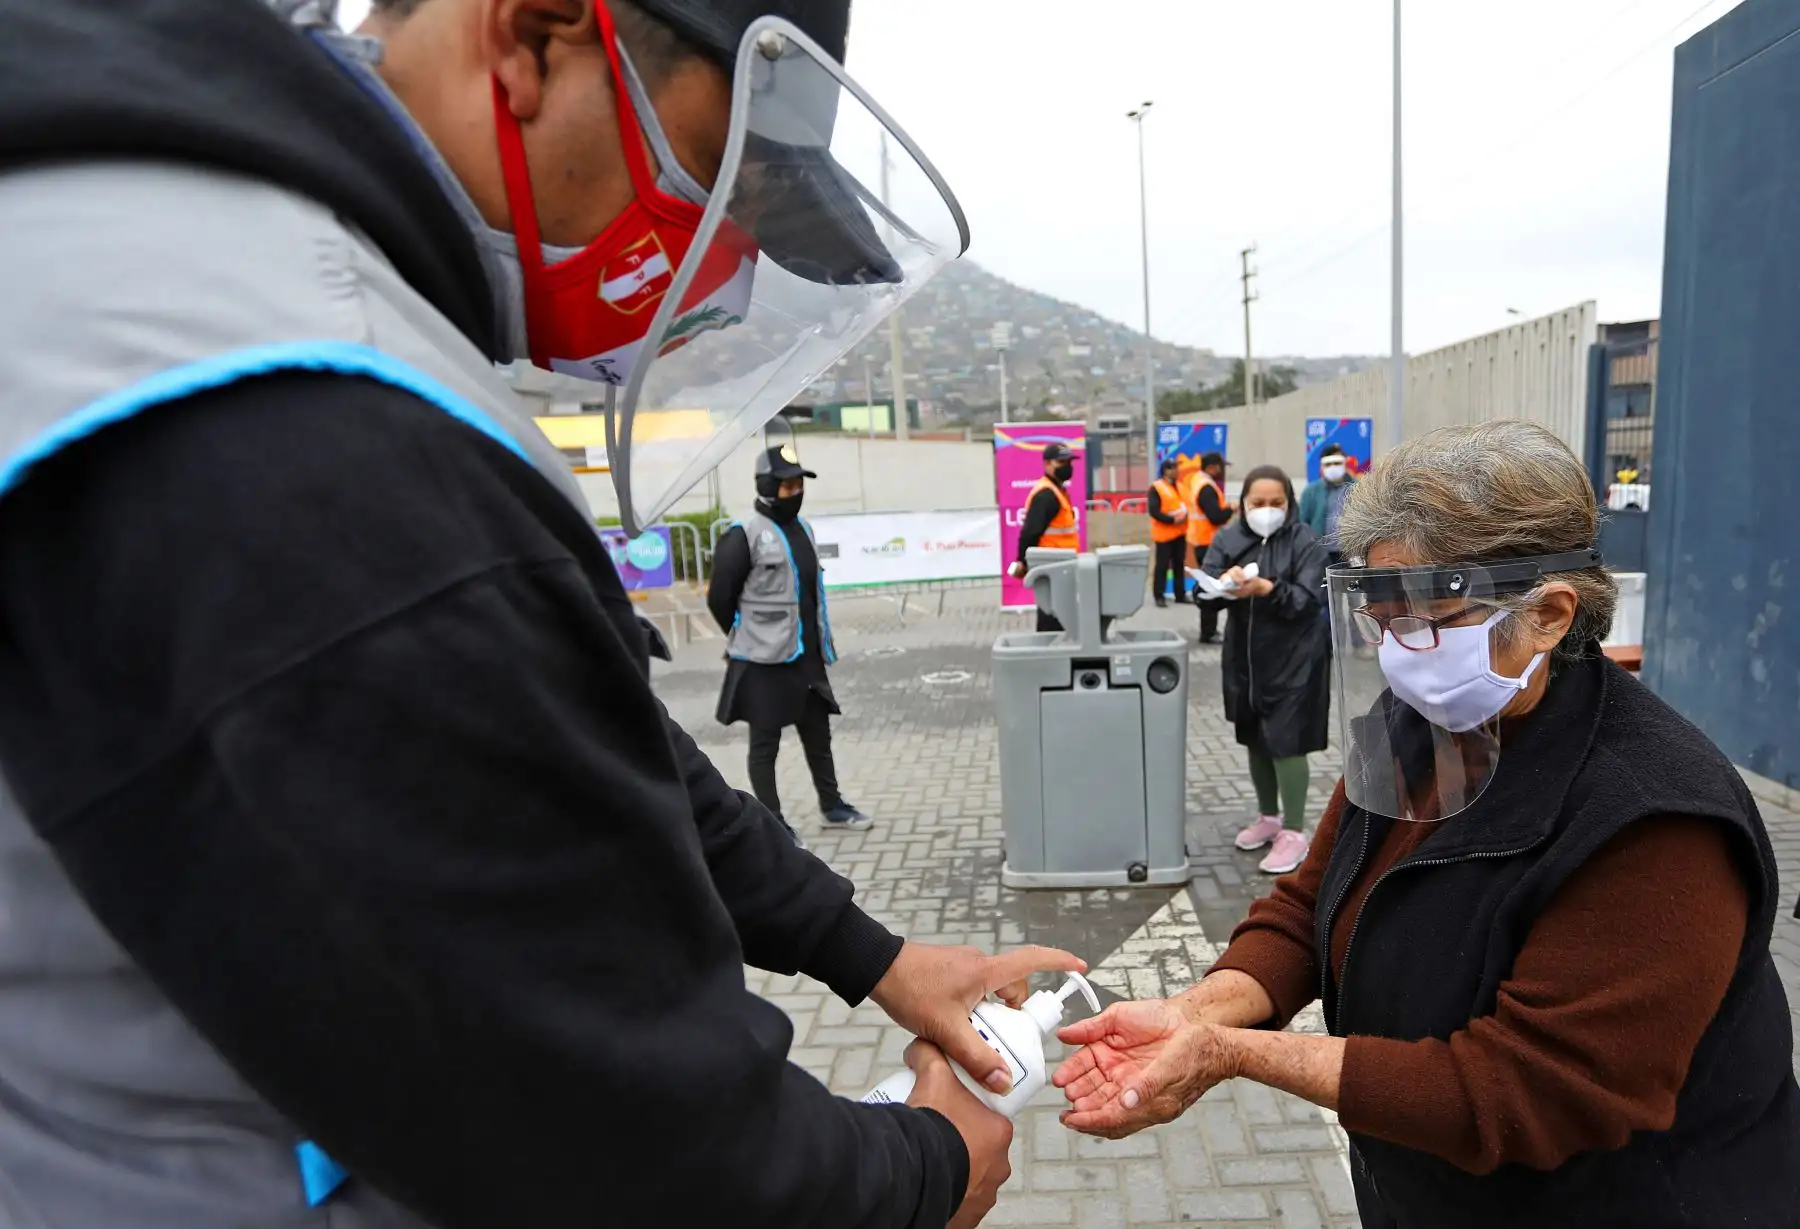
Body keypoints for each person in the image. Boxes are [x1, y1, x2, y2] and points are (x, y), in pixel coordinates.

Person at [0, 1, 1080, 1226]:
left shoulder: (185, 231)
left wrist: (872, 953)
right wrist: (924, 1164)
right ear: (530, 39)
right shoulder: (313, 418)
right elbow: (627, 1131)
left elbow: (583, 734)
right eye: (711, 179)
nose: (717, 264)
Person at [1053, 422, 1800, 1229]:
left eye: (1427, 618)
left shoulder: (1655, 822)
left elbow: (1528, 1091)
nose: (1399, 652)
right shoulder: (1420, 726)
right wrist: (1198, 1012)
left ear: (1548, 614)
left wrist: (1235, 1052)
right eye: (1382, 617)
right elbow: (1307, 908)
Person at [710, 445, 873, 834]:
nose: (797, 492)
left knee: (819, 737)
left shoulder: (804, 530)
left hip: (807, 657)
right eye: (788, 486)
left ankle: (833, 807)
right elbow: (720, 598)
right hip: (765, 661)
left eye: (800, 484)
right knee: (765, 746)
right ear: (768, 487)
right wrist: (744, 633)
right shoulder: (744, 535)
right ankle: (773, 822)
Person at [1201, 466, 1330, 875]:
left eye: (1277, 503)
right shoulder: (1228, 538)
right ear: (1243, 504)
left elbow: (1308, 600)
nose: (1267, 510)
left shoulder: (1306, 541)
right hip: (1246, 660)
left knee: (1287, 741)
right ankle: (1268, 817)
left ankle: (1294, 830)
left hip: (1295, 659)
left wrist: (1268, 589)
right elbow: (1202, 593)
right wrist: (1219, 585)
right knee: (1256, 737)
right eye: (1258, 503)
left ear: (1290, 503)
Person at [1008, 441, 1080, 633]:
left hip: (1061, 565)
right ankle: (1048, 656)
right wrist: (1022, 562)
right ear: (1047, 464)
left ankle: (1052, 653)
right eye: (1061, 462)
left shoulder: (1057, 490)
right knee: (1052, 617)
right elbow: (1030, 533)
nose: (1067, 466)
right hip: (1051, 566)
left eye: (1069, 462)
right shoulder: (1047, 494)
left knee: (1058, 615)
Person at [1181, 451, 1234, 643]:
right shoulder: (1206, 487)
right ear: (1212, 467)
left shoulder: (1198, 481)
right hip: (1209, 543)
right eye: (1220, 467)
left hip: (1203, 541)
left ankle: (1208, 630)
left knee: (1208, 584)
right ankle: (1208, 631)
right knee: (1210, 587)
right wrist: (1231, 509)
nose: (1222, 471)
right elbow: (1215, 516)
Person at [1298, 443, 1355, 566]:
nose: (1333, 467)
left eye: (1337, 463)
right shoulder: (1311, 491)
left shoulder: (1358, 488)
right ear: (1322, 467)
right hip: (1320, 553)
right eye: (1328, 464)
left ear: (1345, 464)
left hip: (1350, 552)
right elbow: (1302, 522)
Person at [1147, 457, 1189, 608]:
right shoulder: (1157, 487)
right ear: (1166, 471)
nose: (1177, 470)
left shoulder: (1179, 486)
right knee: (1162, 565)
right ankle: (1159, 595)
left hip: (1179, 532)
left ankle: (1180, 594)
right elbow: (1154, 511)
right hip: (1164, 534)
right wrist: (1171, 521)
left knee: (1179, 564)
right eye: (1174, 468)